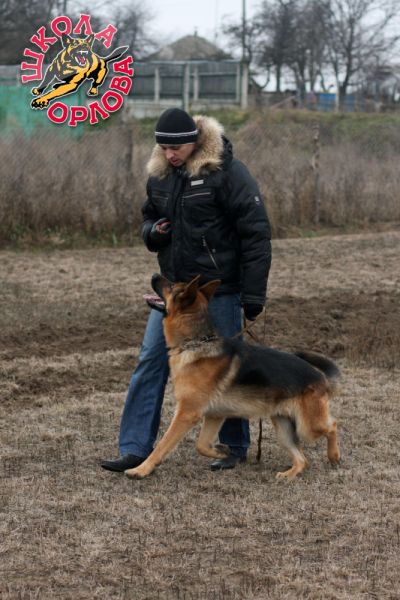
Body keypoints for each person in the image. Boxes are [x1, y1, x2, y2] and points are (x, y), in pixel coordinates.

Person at [101, 108, 271, 473]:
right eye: (163, 148)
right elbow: (148, 216)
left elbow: (256, 234)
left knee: (225, 367)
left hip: (219, 290)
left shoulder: (227, 172)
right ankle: (134, 448)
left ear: (194, 141)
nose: (169, 154)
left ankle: (233, 445)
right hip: (176, 293)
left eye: (175, 148)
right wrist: (152, 232)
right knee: (150, 361)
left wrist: (254, 294)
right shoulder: (160, 175)